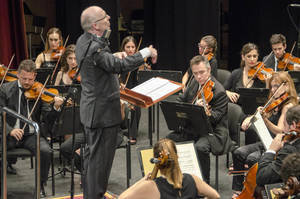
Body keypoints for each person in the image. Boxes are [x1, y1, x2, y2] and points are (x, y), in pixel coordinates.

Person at [75, 6, 157, 199]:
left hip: (92, 110)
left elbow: (102, 62)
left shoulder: (82, 40)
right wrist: (145, 52)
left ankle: (92, 194)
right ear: (95, 25)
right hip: (103, 114)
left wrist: (112, 56)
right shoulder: (95, 47)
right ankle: (95, 196)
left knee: (93, 159)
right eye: (105, 17)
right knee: (100, 161)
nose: (109, 17)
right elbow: (119, 67)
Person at [0, 59, 64, 197]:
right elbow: (0, 114)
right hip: (9, 134)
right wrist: (10, 130)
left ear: (34, 76)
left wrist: (55, 107)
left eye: (30, 79)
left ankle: (40, 185)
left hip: (30, 135)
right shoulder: (5, 90)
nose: (27, 82)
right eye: (24, 78)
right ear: (18, 75)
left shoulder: (40, 91)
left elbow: (47, 120)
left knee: (46, 150)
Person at [231, 72, 298, 198]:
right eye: (272, 86)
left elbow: (280, 131)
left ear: (286, 86)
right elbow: (263, 116)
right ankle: (239, 190)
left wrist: (265, 121)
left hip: (276, 146)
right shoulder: (274, 101)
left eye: (276, 86)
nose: (273, 90)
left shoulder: (288, 105)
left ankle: (256, 192)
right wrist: (251, 118)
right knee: (238, 152)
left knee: (252, 158)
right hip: (265, 141)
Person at [166, 55, 231, 184]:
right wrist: (189, 108)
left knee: (200, 147)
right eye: (195, 73)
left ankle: (203, 181)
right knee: (168, 140)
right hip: (194, 127)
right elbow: (181, 99)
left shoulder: (219, 92)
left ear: (209, 70)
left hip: (213, 131)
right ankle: (176, 175)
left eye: (202, 72)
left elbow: (216, 118)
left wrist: (204, 113)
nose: (199, 76)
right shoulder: (194, 82)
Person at [118, 138, 220, 199]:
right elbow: (216, 196)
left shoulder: (151, 186)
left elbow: (122, 198)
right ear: (177, 156)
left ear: (156, 160)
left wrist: (140, 182)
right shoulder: (193, 179)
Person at [224, 43, 268, 146]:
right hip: (238, 111)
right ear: (243, 57)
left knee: (251, 129)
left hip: (256, 112)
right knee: (231, 119)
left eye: (255, 56)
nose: (252, 59)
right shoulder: (236, 73)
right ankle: (236, 152)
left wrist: (268, 82)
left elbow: (267, 98)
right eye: (249, 56)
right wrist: (228, 92)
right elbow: (221, 89)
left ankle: (247, 158)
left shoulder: (262, 76)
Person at [256, 105, 300, 187]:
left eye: (284, 125)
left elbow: (262, 178)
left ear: (293, 125)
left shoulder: (289, 151)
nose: (283, 130)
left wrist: (271, 150)